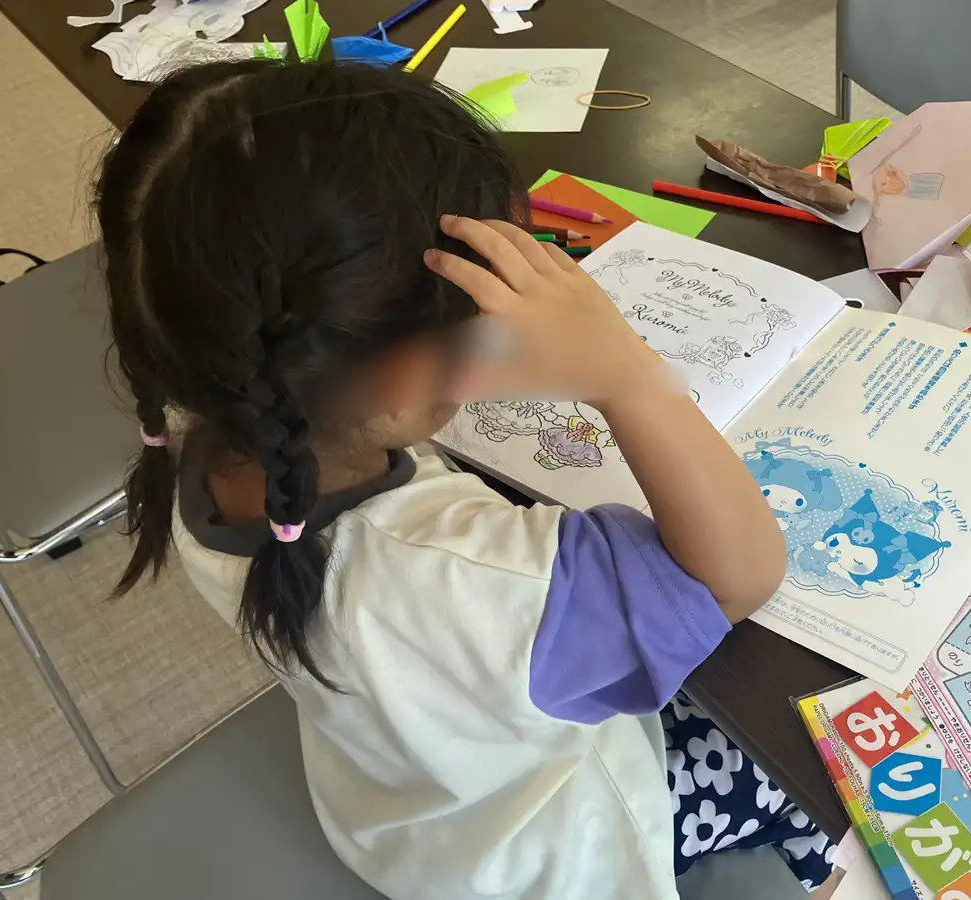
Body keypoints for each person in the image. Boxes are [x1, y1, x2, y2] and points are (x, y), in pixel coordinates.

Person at [97, 60, 835, 899]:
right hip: (553, 851)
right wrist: (625, 373)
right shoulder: (495, 583)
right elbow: (738, 575)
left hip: (410, 814)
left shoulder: (211, 450)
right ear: (400, 386)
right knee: (808, 771)